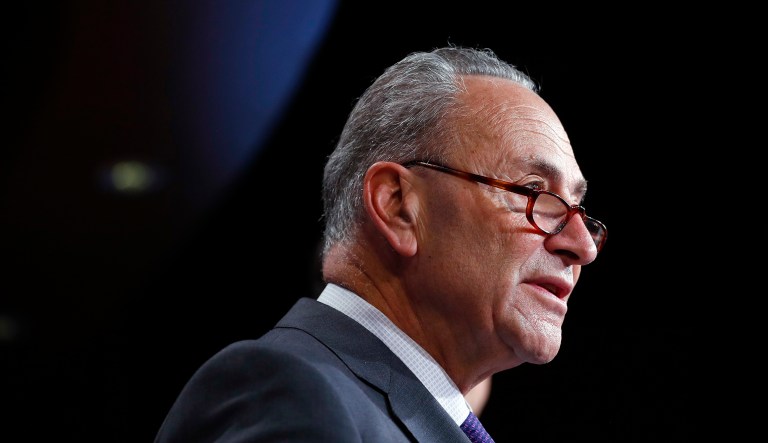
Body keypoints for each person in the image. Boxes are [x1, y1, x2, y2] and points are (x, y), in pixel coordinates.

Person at [154, 45, 607, 442]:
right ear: (397, 206)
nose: (582, 246)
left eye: (578, 210)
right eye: (531, 191)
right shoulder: (289, 393)